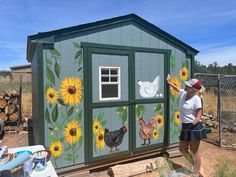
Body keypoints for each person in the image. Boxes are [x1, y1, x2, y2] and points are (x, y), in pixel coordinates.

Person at [167, 74, 207, 177]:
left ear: (193, 89)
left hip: (194, 127)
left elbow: (199, 114)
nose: (186, 86)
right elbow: (177, 88)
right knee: (182, 148)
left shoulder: (196, 99)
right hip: (186, 126)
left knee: (195, 151)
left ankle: (197, 173)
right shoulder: (184, 93)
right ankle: (194, 164)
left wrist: (196, 120)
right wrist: (169, 82)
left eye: (188, 85)